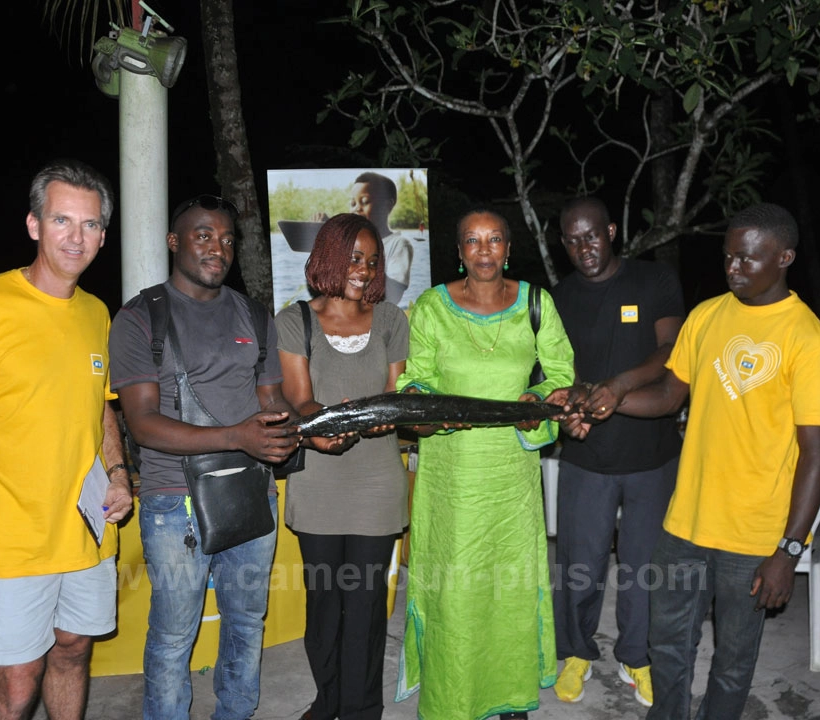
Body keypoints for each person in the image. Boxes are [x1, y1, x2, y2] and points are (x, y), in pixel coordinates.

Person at [562, 202, 820, 719]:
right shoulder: (708, 316)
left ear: (785, 258)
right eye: (729, 257)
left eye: (748, 259)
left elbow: (815, 454)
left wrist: (788, 549)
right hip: (685, 522)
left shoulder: (809, 340)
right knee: (668, 647)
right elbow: (668, 396)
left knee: (732, 662)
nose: (734, 268)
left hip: (753, 536)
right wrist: (604, 401)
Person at [0, 158, 132, 720]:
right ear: (34, 225)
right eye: (61, 221)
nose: (74, 237)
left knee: (74, 652)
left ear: (103, 237)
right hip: (8, 539)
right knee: (15, 684)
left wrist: (118, 472)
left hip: (85, 530)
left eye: (88, 225)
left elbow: (102, 407)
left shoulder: (96, 314)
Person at [108, 194, 301, 720]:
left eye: (227, 240)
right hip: (176, 502)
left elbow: (270, 401)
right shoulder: (139, 317)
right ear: (175, 242)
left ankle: (236, 713)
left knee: (246, 622)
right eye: (203, 236)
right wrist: (239, 437)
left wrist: (308, 427)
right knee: (174, 635)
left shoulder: (252, 313)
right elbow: (143, 425)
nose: (219, 249)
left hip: (251, 492)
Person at [393, 208, 575, 719]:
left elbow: (561, 375)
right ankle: (453, 699)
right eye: (472, 241)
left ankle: (511, 695)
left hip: (511, 479)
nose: (484, 250)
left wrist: (533, 400)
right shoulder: (431, 306)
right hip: (451, 478)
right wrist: (435, 411)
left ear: (508, 247)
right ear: (458, 251)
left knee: (510, 588)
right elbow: (413, 382)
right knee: (455, 590)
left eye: (494, 240)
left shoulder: (537, 303)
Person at [548, 197, 685, 707]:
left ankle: (637, 657)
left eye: (592, 235)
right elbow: (556, 376)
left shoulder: (654, 281)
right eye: (573, 239)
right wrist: (569, 408)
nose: (584, 247)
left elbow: (672, 351)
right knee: (580, 564)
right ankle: (578, 653)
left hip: (653, 455)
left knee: (643, 567)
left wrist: (618, 386)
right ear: (563, 244)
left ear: (611, 232)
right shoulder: (559, 298)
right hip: (588, 457)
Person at [275, 213, 410, 720]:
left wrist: (381, 416)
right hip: (320, 480)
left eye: (372, 261)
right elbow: (300, 402)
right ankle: (327, 697)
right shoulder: (295, 321)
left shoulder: (393, 321)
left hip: (377, 481)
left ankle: (360, 709)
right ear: (329, 256)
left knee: (367, 610)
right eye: (354, 257)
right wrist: (338, 419)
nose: (364, 269)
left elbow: (395, 396)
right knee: (325, 607)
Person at [319, 172, 414, 305]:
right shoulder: (347, 242)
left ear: (388, 205)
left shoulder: (399, 245)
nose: (357, 208)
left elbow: (393, 296)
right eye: (353, 203)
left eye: (364, 202)